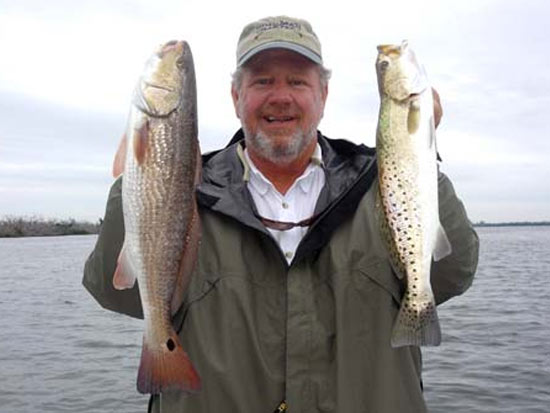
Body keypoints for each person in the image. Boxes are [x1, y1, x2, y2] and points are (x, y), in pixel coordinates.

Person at [83, 15, 479, 413]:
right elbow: (116, 293)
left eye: (297, 81)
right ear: (236, 97)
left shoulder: (380, 185)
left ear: (323, 95)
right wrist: (133, 186)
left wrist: (416, 154)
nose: (280, 96)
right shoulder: (187, 194)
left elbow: (453, 271)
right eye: (262, 81)